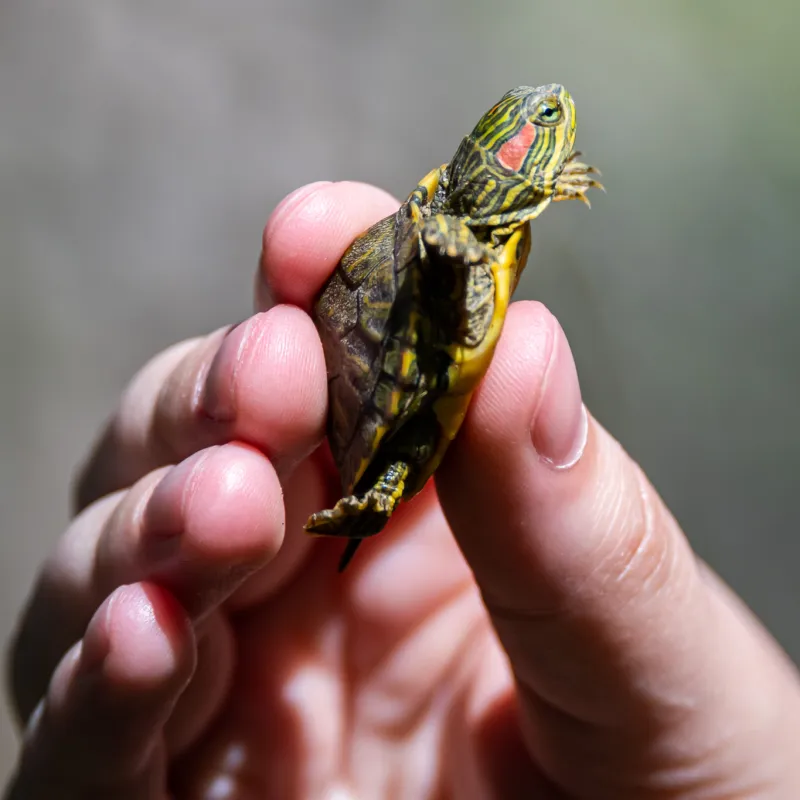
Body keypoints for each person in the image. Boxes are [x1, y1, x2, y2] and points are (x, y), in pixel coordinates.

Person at [6, 181, 800, 799]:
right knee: (377, 445)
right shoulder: (452, 236)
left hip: (406, 379)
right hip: (398, 384)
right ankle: (367, 499)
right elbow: (441, 247)